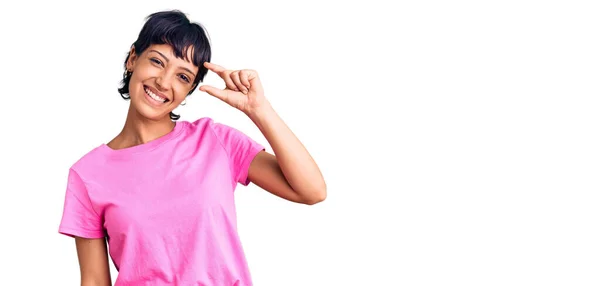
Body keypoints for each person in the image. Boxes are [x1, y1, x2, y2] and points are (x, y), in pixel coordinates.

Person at [58, 10, 326, 286]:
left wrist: (259, 110)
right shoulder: (87, 174)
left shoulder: (215, 141)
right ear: (133, 58)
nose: (163, 82)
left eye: (183, 77)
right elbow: (93, 280)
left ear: (190, 91)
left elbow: (312, 191)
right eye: (156, 61)